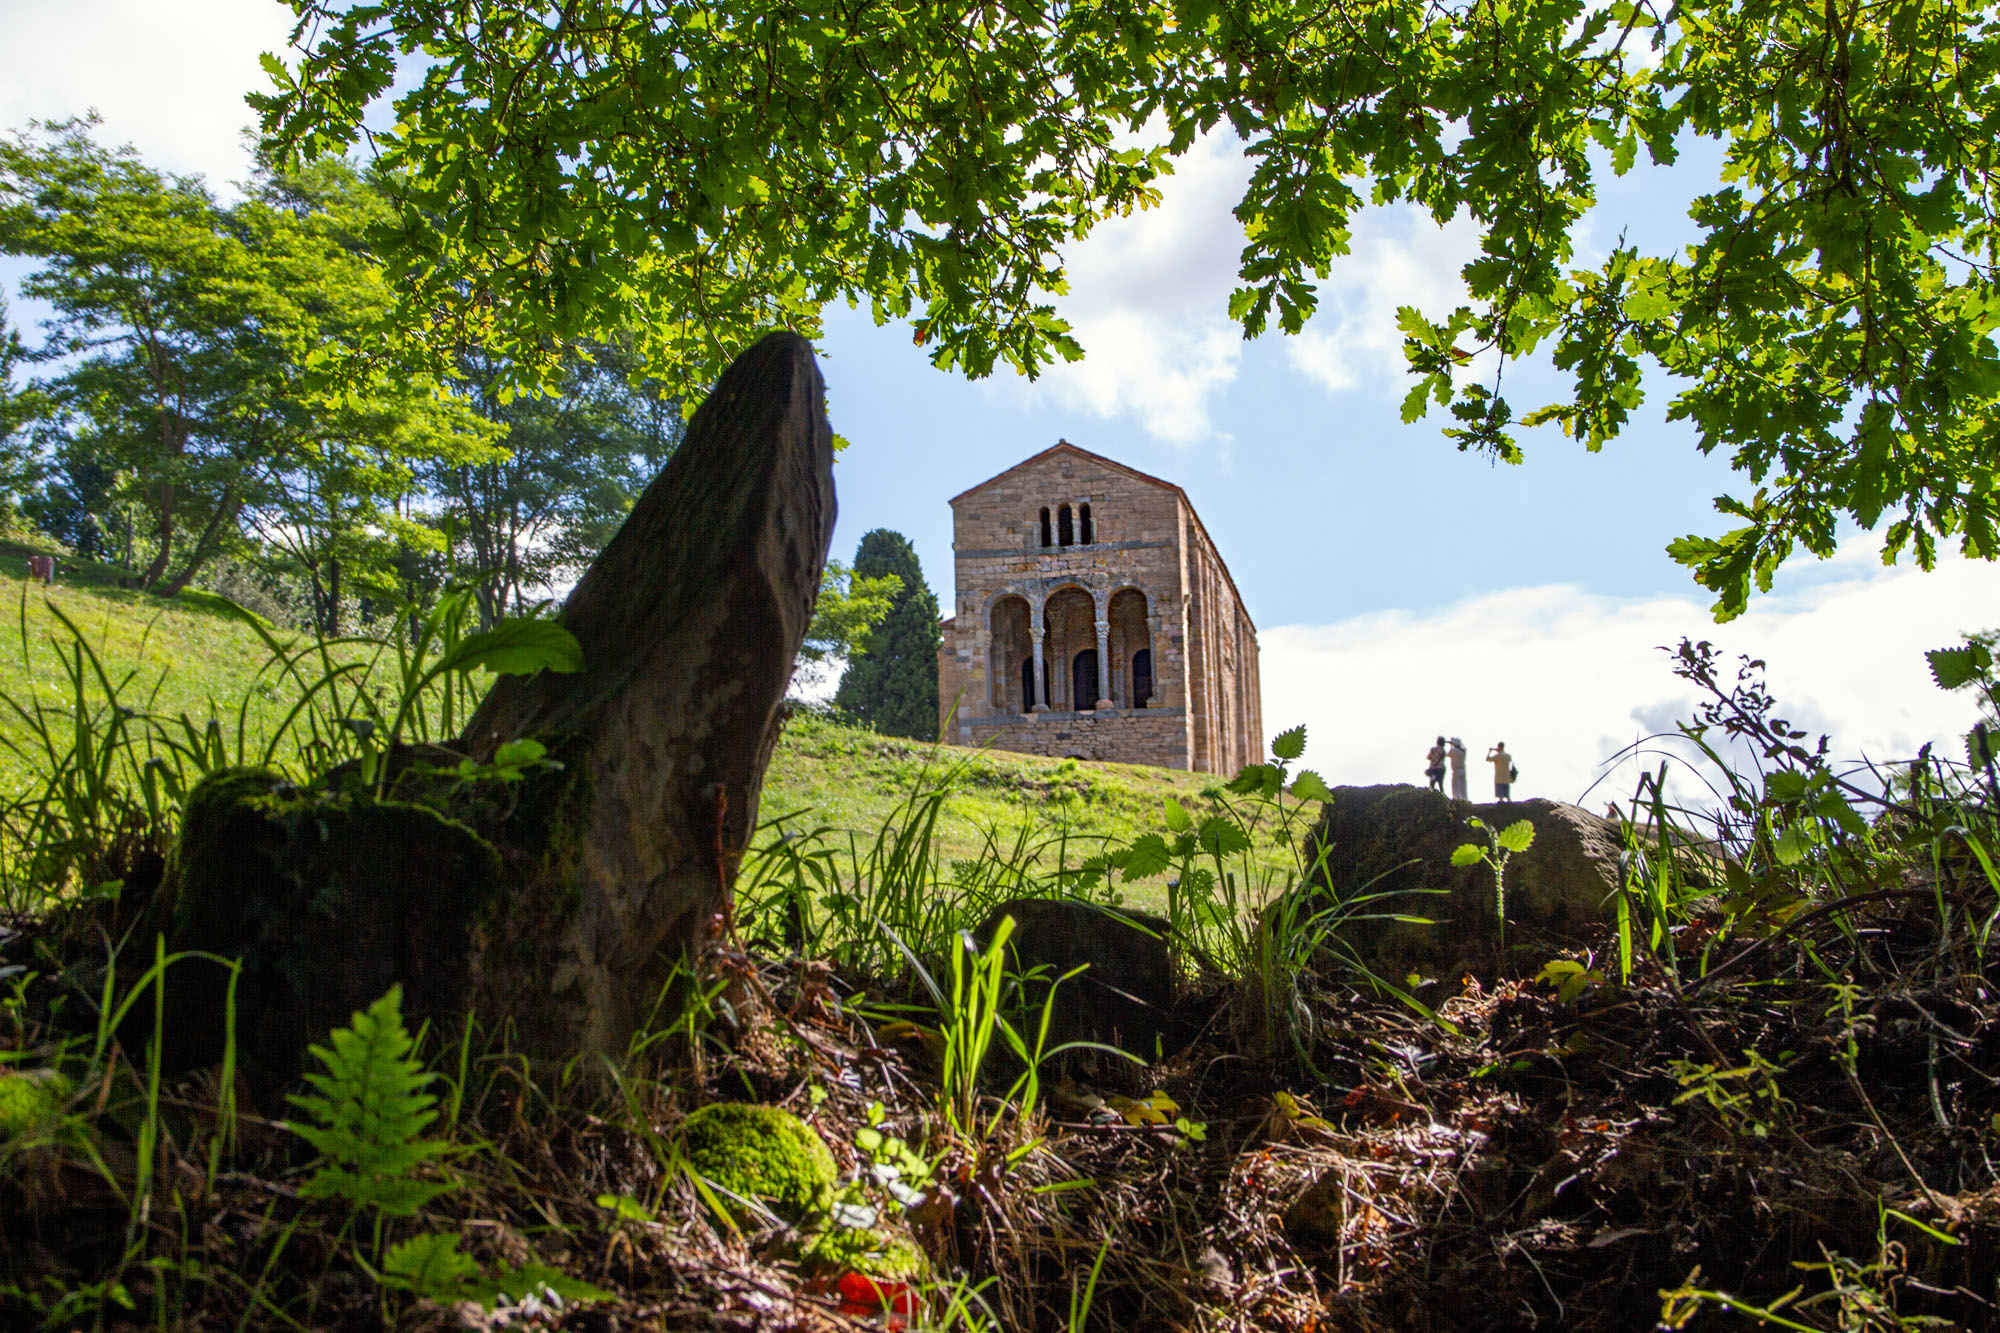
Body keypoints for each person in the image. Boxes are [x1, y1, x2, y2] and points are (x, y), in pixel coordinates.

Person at [1448, 737, 1468, 802]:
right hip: (1463, 770)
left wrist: (1451, 746)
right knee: (1463, 787)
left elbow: (1448, 754)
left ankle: (1458, 800)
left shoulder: (1454, 751)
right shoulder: (1463, 751)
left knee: (1456, 786)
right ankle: (1465, 800)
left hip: (1456, 770)